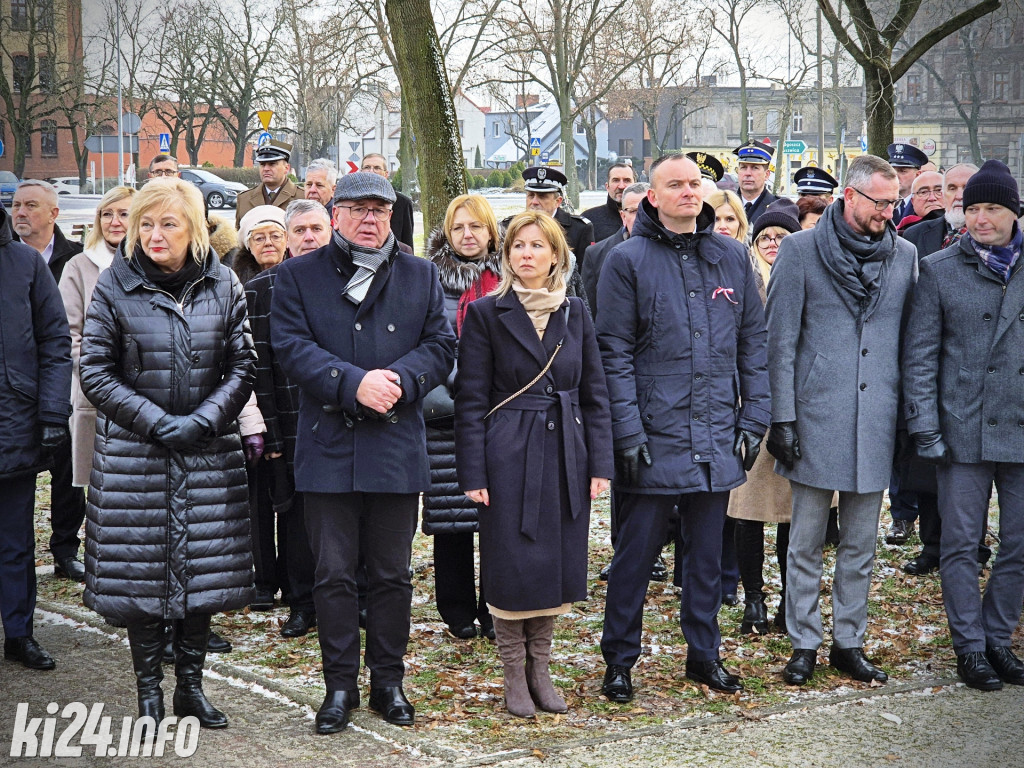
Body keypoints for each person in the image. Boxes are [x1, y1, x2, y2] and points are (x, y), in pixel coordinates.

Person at [270, 172, 455, 734]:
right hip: (328, 446)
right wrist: (351, 383)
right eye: (357, 209)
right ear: (336, 216)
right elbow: (289, 347)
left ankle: (388, 682)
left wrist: (397, 380)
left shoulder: (421, 274)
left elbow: (442, 345)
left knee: (392, 575)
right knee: (332, 576)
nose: (370, 219)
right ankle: (339, 686)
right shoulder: (298, 274)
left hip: (395, 445)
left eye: (380, 209)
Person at [80, 178, 257, 729]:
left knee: (204, 577)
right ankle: (149, 692)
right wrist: (160, 423)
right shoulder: (114, 285)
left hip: (209, 451)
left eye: (169, 224)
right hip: (136, 455)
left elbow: (243, 364)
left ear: (194, 229)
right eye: (146, 224)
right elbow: (94, 371)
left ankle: (191, 689)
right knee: (142, 579)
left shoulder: (224, 283)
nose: (156, 235)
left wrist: (204, 420)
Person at [597, 153, 770, 700]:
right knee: (634, 559)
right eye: (676, 184)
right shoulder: (627, 261)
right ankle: (620, 660)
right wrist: (627, 432)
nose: (689, 192)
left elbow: (753, 346)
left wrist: (755, 416)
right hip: (652, 437)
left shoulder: (732, 259)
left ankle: (704, 654)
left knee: (706, 558)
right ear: (653, 195)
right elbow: (614, 353)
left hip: (717, 434)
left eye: (695, 184)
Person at [765, 154, 916, 687]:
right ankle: (803, 641)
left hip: (876, 418)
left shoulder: (905, 255)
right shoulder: (800, 252)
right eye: (880, 202)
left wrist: (907, 418)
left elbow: (909, 345)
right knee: (804, 541)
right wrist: (780, 417)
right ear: (849, 196)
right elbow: (778, 343)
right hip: (813, 418)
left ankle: (848, 641)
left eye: (894, 202)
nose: (888, 212)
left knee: (860, 545)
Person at [456, 211, 612, 717]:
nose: (527, 254)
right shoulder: (485, 314)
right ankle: (512, 674)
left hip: (567, 450)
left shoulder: (576, 313)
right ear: (507, 255)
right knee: (511, 563)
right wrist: (474, 473)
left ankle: (539, 669)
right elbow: (471, 400)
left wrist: (600, 465)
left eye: (537, 246)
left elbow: (596, 395)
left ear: (555, 256)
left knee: (553, 564)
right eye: (518, 245)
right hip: (508, 454)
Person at [902, 160, 1024, 692]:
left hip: (1020, 428)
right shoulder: (940, 268)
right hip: (963, 429)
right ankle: (970, 648)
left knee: (1020, 543)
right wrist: (926, 428)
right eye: (971, 208)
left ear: (1013, 211)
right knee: (960, 543)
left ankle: (999, 639)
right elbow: (920, 357)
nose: (978, 218)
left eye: (990, 208)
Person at [897, 162, 989, 581]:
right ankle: (933, 545)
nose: (954, 194)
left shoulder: (998, 240)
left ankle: (975, 542)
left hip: (984, 374)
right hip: (930, 370)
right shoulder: (915, 239)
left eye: (962, 187)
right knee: (929, 466)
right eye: (949, 187)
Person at [243, 199, 330, 639]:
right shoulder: (260, 289)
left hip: (342, 422)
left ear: (331, 230)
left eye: (317, 228)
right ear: (288, 238)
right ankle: (302, 602)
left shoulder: (350, 279)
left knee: (343, 519)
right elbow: (258, 369)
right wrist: (271, 433)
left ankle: (352, 599)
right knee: (293, 519)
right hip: (291, 425)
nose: (309, 238)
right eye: (300, 230)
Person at [422, 195, 502, 641]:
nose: (468, 235)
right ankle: (455, 608)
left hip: (498, 411)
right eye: (458, 228)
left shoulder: (508, 276)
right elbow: (424, 337)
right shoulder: (428, 278)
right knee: (451, 516)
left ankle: (495, 606)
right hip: (445, 412)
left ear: (491, 233)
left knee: (496, 515)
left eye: (476, 227)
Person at [0, 200, 72, 671]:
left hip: (13, 423)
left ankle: (19, 633)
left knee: (14, 541)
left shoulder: (24, 263)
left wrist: (50, 413)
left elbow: (55, 339)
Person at [728, 199, 802, 635]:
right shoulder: (743, 281)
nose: (773, 244)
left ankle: (791, 601)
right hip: (752, 406)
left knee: (797, 513)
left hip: (800, 409)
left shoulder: (808, 276)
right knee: (749, 509)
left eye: (781, 237)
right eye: (764, 238)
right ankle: (753, 599)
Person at [10, 180, 85, 583]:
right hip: (16, 385)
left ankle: (65, 549)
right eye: (17, 205)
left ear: (54, 214)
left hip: (63, 381)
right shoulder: (8, 259)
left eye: (31, 206)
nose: (20, 212)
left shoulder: (73, 258)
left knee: (67, 473)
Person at [58, 187, 135, 495]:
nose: (114, 221)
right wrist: (98, 375)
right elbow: (68, 333)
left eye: (124, 214)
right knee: (101, 492)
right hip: (95, 393)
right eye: (107, 214)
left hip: (146, 394)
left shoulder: (155, 265)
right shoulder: (79, 266)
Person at [582, 182, 648, 316]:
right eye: (634, 211)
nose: (641, 217)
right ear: (623, 216)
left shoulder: (672, 250)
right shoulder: (596, 255)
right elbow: (589, 312)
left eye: (647, 210)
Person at [902, 163, 979, 260]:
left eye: (967, 187)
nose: (959, 196)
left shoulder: (995, 234)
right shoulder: (914, 234)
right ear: (944, 193)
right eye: (952, 188)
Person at [236, 140, 303, 228]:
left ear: (286, 168)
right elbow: (239, 237)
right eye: (262, 164)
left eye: (272, 164)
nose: (266, 169)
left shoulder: (303, 198)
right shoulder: (244, 199)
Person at [360, 153, 415, 252]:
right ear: (361, 172)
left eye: (377, 168)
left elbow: (407, 242)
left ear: (386, 174)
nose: (371, 171)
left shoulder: (403, 203)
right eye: (367, 167)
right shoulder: (351, 202)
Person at [582, 162, 636, 241]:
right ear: (607, 186)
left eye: (627, 180)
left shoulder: (649, 218)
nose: (621, 186)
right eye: (616, 180)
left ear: (635, 185)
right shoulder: (589, 219)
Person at [732, 139, 777, 225]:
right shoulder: (726, 205)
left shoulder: (776, 208)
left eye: (755, 168)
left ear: (767, 175)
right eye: (743, 167)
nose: (748, 173)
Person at [887, 142, 928, 226]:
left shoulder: (925, 203)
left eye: (902, 171)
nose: (895, 176)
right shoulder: (881, 202)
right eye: (892, 170)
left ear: (918, 175)